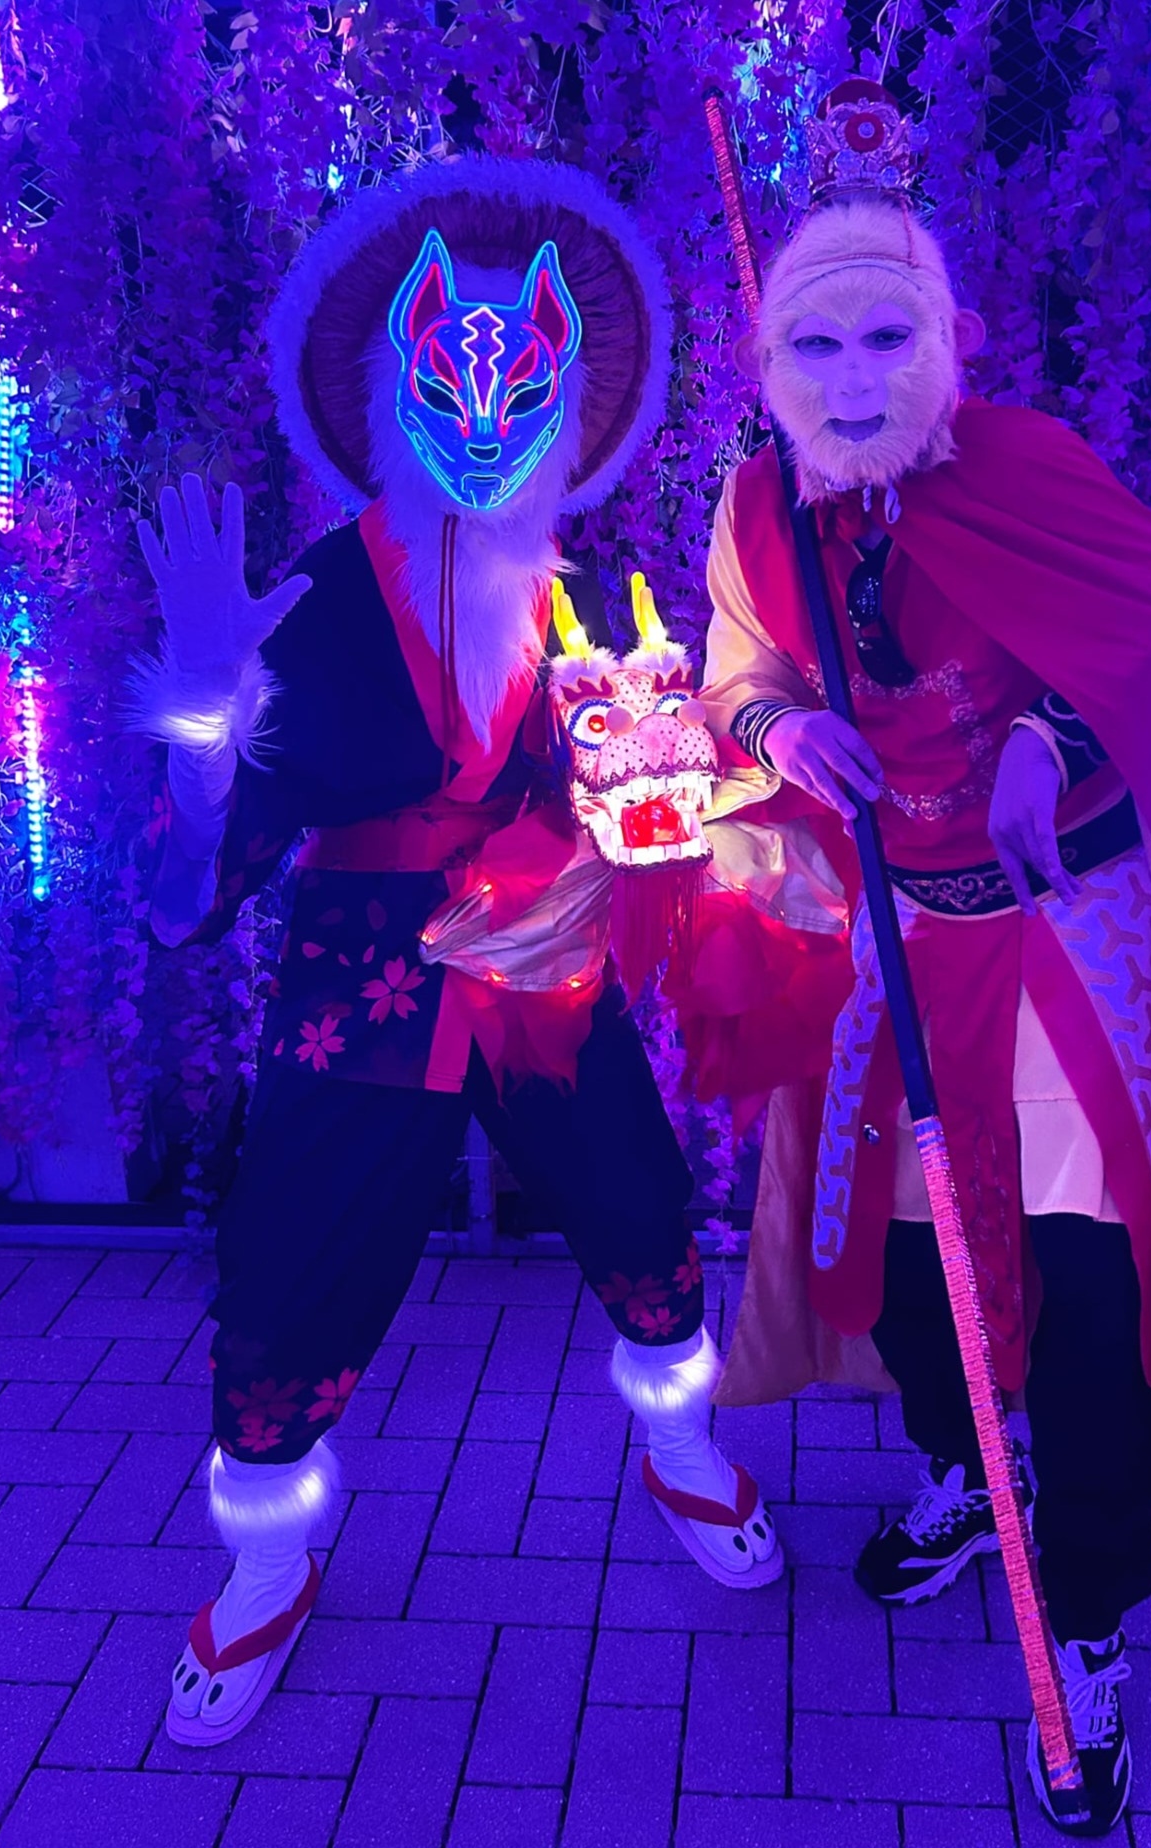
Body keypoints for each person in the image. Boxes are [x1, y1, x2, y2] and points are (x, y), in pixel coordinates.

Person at [681, 79, 1151, 1837]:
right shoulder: (757, 508)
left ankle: (1084, 1612)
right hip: (897, 933)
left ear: (942, 344)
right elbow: (736, 671)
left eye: (888, 338)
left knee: (1087, 1278)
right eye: (818, 346)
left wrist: (1051, 736)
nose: (855, 378)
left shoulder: (1025, 468)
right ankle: (967, 1470)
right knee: (912, 1251)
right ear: (773, 361)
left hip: (1062, 931)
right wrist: (781, 731)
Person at [132, 157, 780, 1749]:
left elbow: (645, 803)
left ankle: (680, 1449)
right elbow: (195, 872)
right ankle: (265, 1556)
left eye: (521, 392)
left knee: (636, 1200)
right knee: (293, 1258)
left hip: (544, 966)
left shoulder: (584, 600)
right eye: (444, 386)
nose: (483, 428)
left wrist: (667, 800)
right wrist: (204, 713)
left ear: (567, 404)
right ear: (387, 389)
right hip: (360, 986)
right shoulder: (309, 597)